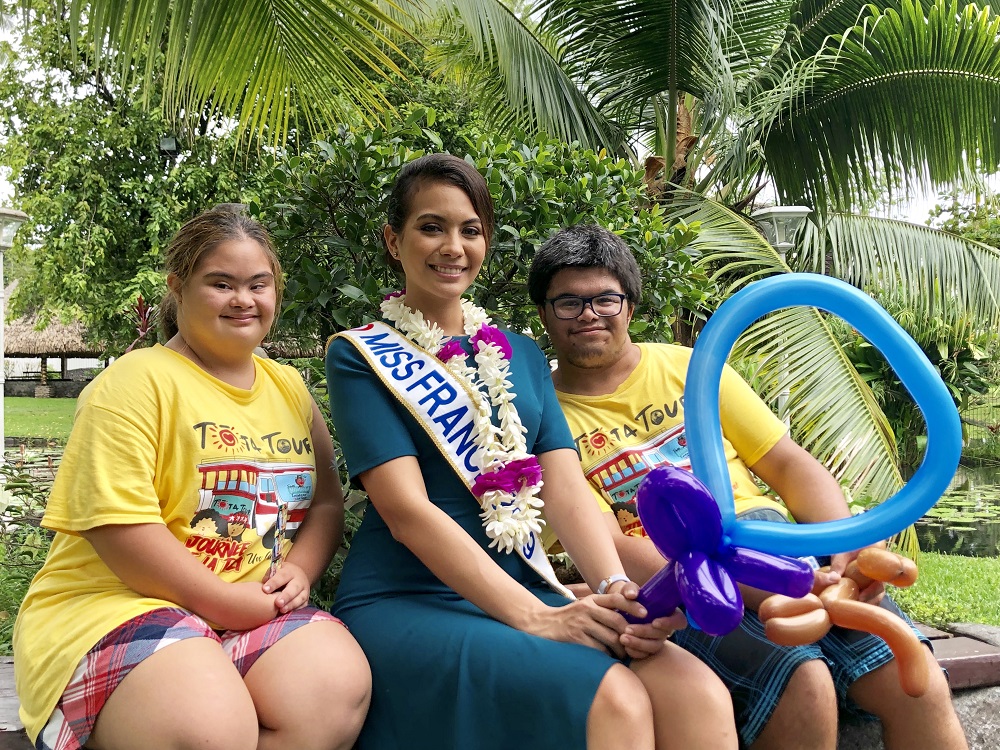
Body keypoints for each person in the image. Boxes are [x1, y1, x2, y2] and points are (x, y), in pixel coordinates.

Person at [325, 153, 738, 750]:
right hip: (408, 597)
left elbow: (567, 492)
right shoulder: (359, 356)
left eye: (471, 230)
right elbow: (407, 513)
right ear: (395, 239)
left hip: (525, 585)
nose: (453, 246)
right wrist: (537, 616)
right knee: (614, 698)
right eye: (431, 227)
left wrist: (613, 587)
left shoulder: (519, 354)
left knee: (695, 692)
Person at [526, 223, 968, 750]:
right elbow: (613, 545)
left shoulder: (691, 367)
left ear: (630, 304)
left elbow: (788, 465)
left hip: (778, 545)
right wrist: (781, 583)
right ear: (544, 314)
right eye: (568, 303)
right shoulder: (542, 422)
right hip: (682, 585)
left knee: (907, 674)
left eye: (605, 298)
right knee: (803, 680)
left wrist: (843, 547)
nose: (589, 315)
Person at [13, 209, 372, 750]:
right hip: (115, 604)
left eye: (259, 284)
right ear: (178, 287)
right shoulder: (133, 384)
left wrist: (299, 570)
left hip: (248, 607)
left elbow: (324, 503)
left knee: (332, 690)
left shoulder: (289, 387)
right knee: (210, 729)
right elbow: (121, 531)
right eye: (220, 283)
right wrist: (226, 605)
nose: (243, 299)